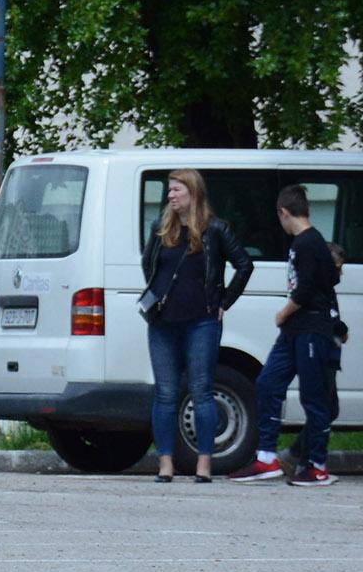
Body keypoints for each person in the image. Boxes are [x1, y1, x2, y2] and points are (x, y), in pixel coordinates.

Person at [140, 168, 252, 483]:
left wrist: (223, 302)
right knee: (165, 393)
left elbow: (244, 264)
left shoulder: (215, 230)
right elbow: (148, 263)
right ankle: (165, 463)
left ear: (193, 192)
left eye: (177, 190)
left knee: (201, 391)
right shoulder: (160, 227)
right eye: (170, 190)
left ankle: (204, 463)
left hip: (202, 322)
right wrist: (155, 295)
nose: (171, 195)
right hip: (162, 322)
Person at [232, 184, 342, 487]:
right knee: (267, 383)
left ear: (284, 212)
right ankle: (266, 457)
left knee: (313, 396)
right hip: (293, 332)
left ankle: (317, 465)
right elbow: (329, 277)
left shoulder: (308, 243)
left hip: (310, 330)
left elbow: (306, 289)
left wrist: (284, 312)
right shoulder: (306, 243)